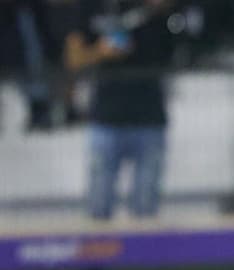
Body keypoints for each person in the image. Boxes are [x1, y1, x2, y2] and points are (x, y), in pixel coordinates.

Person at [65, 0, 175, 220]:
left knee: (146, 209)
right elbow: (72, 59)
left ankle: (147, 255)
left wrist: (161, 9)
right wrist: (101, 51)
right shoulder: (91, 7)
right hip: (106, 118)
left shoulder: (156, 9)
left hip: (149, 117)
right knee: (99, 206)